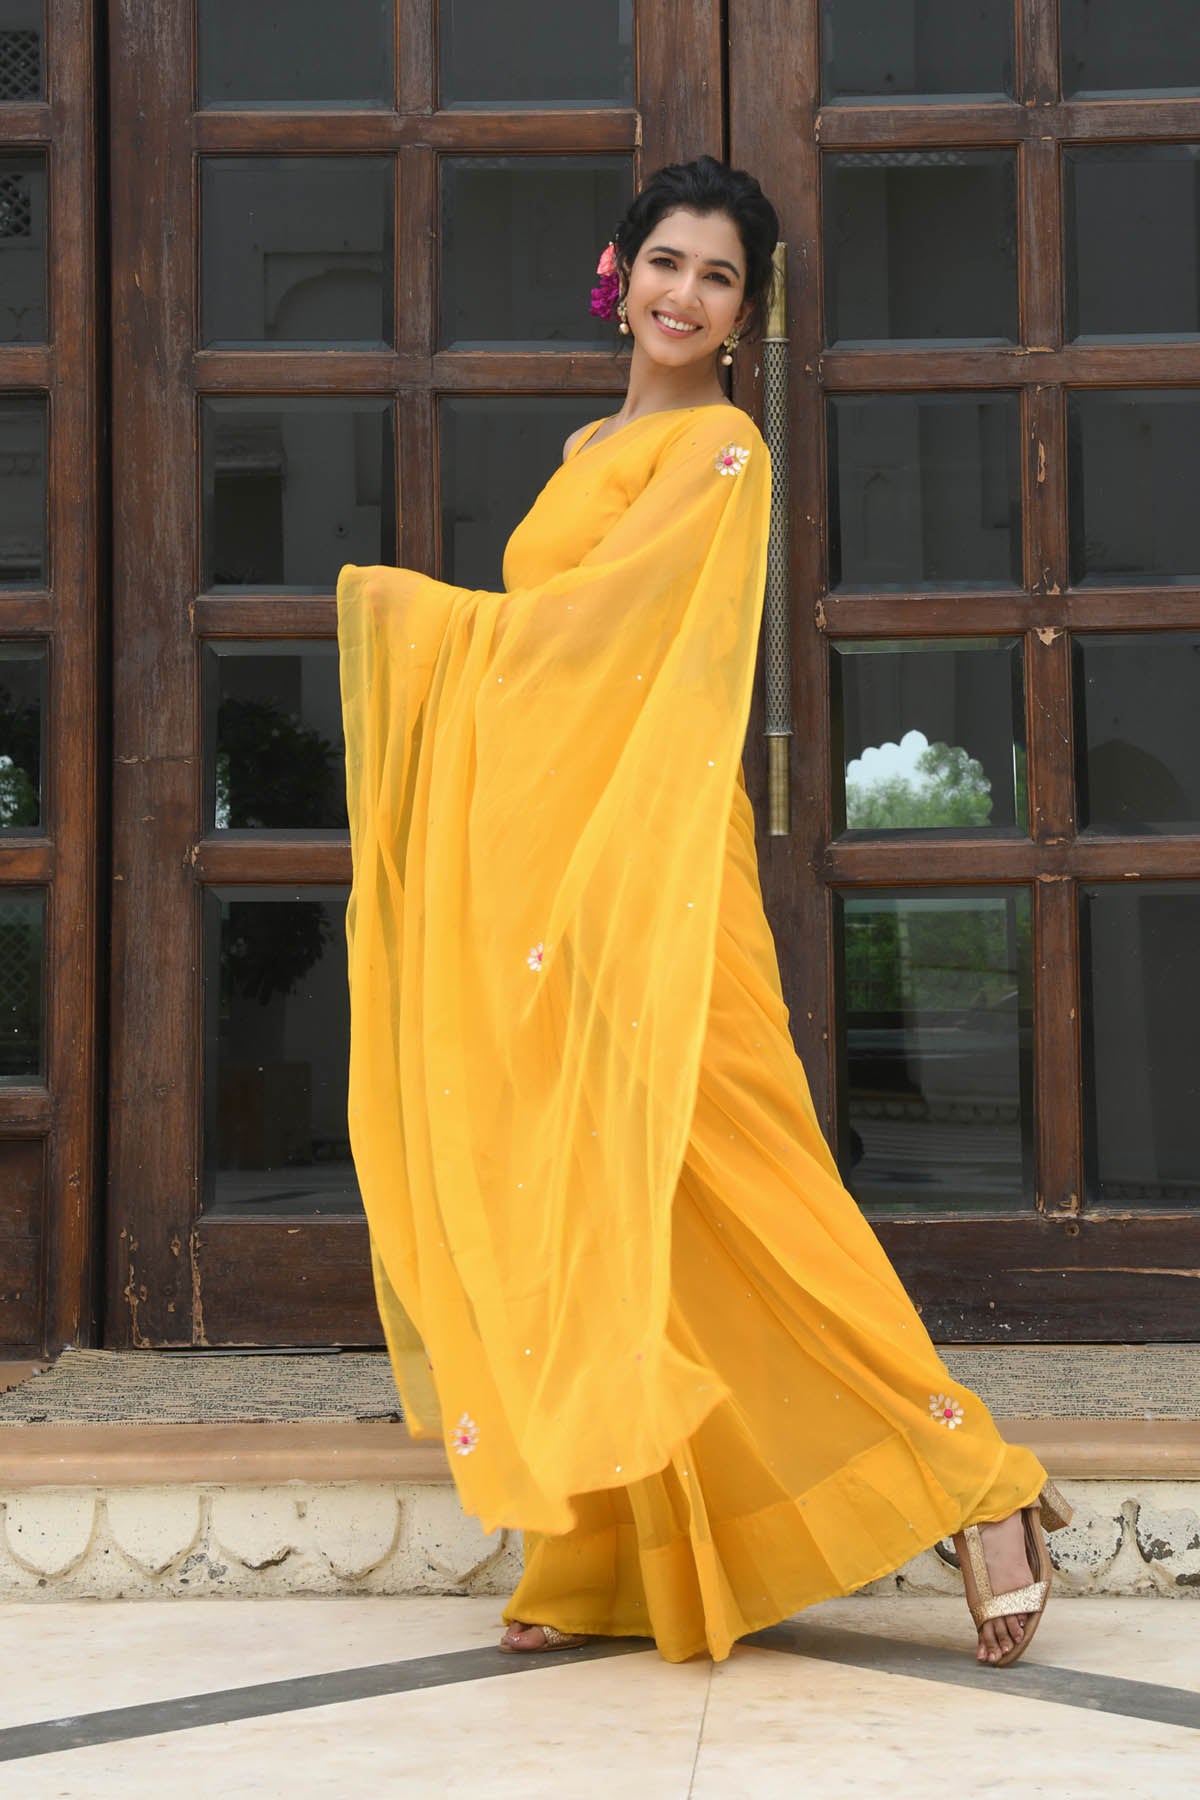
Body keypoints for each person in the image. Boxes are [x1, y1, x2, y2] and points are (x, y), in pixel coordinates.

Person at [336, 155, 1073, 1672]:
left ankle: (980, 1483)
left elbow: (597, 638)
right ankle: (605, 1549)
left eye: (720, 277)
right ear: (621, 276)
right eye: (667, 262)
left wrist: (417, 622)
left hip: (665, 866)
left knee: (752, 1178)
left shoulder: (723, 450)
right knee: (599, 1193)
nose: (686, 295)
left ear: (748, 314)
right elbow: (558, 658)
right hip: (557, 874)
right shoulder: (586, 446)